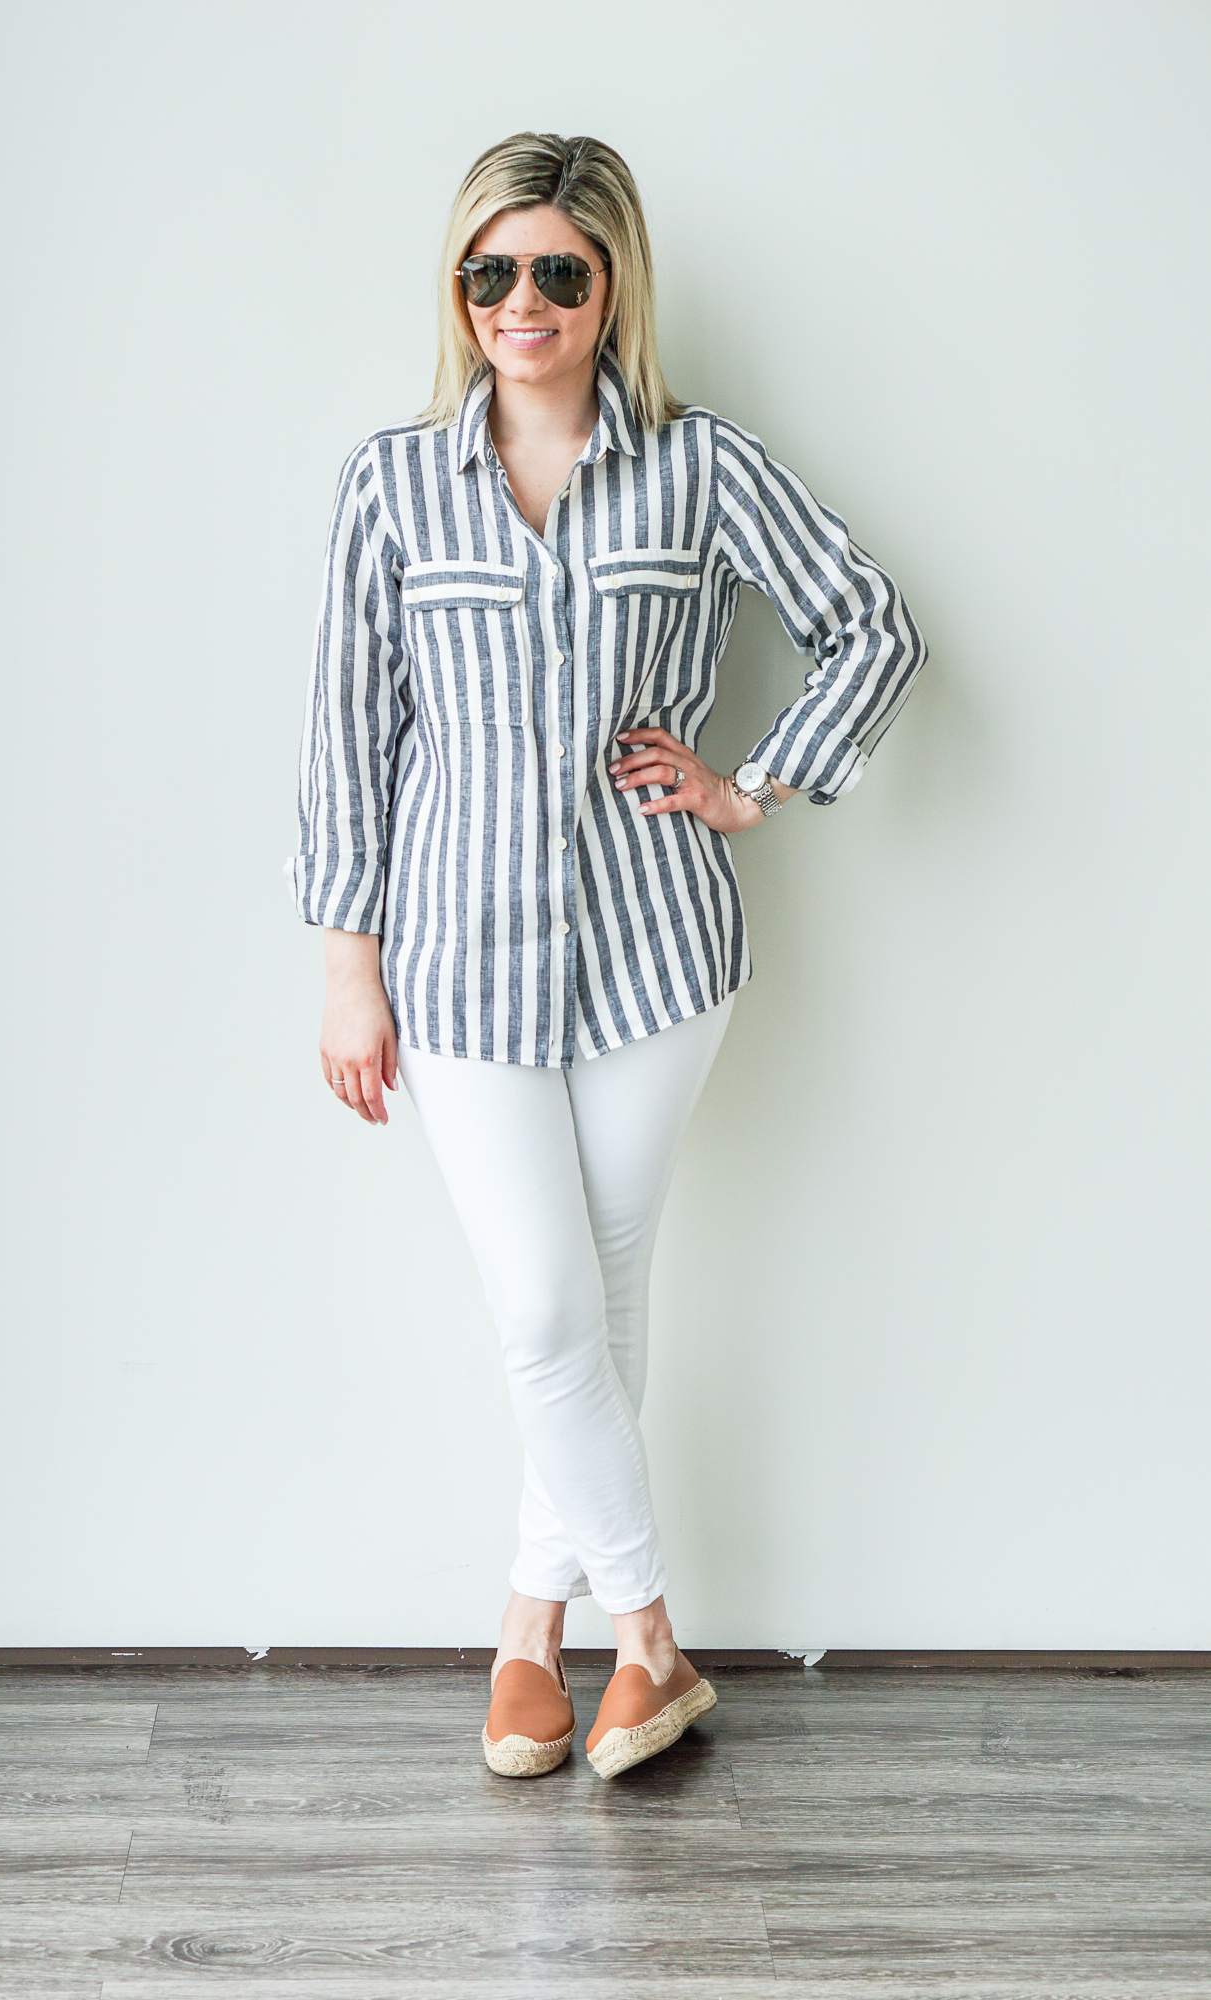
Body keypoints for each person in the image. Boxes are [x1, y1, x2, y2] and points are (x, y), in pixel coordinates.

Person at [285, 132, 926, 1780]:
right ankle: (646, 1638)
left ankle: (522, 1635)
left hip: (655, 959)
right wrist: (348, 962)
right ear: (458, 291)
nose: (521, 301)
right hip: (457, 962)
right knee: (546, 1310)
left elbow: (872, 623)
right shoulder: (391, 482)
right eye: (488, 271)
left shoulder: (700, 467)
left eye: (558, 271)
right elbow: (350, 738)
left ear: (612, 284)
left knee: (601, 1305)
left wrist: (751, 784)